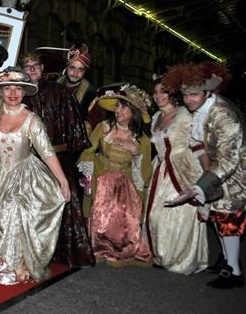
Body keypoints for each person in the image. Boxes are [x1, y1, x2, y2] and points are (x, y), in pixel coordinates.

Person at [0, 68, 70, 284]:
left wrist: (63, 181)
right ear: (0, 91)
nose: (13, 92)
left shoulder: (32, 120)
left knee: (14, 213)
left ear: (24, 92)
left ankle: (17, 266)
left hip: (24, 174)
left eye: (18, 88)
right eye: (7, 87)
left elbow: (47, 153)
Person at [163, 62, 245, 289]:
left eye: (194, 94)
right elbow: (200, 142)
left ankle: (234, 273)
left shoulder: (224, 117)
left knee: (229, 221)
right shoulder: (203, 110)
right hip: (219, 169)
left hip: (236, 175)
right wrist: (204, 172)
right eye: (185, 95)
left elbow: (229, 160)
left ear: (208, 92)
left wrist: (199, 187)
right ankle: (228, 260)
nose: (188, 100)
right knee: (217, 218)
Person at [21, 51, 95, 268]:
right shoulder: (17, 94)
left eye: (36, 65)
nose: (32, 70)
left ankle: (62, 251)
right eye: (27, 67)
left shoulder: (59, 91)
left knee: (66, 201)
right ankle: (31, 252)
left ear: (43, 68)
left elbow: (76, 131)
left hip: (57, 159)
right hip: (26, 161)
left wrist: (60, 154)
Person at [77, 85, 153, 267]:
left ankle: (120, 250)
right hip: (101, 180)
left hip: (125, 186)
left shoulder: (142, 139)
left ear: (133, 112)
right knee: (98, 213)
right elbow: (88, 151)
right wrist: (87, 179)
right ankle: (99, 248)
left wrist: (135, 152)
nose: (118, 110)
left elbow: (144, 173)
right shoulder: (104, 128)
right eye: (117, 105)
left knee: (122, 213)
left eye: (123, 107)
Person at [143, 78, 210, 274]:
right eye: (155, 92)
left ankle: (178, 258)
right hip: (161, 168)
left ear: (172, 93)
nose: (158, 96)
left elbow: (199, 146)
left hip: (182, 168)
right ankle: (160, 253)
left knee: (177, 216)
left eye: (163, 91)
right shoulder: (155, 117)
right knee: (155, 215)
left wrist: (207, 176)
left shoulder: (183, 116)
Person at [55, 44, 104, 134]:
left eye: (80, 70)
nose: (75, 73)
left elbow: (97, 128)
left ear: (85, 71)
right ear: (66, 67)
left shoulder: (92, 95)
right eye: (72, 68)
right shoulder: (57, 83)